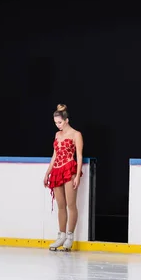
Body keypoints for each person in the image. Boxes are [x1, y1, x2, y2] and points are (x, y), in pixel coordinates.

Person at [44, 104, 83, 251]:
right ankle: (60, 236)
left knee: (71, 205)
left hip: (69, 169)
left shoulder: (76, 134)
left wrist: (77, 175)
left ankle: (69, 236)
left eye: (59, 122)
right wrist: (48, 172)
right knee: (61, 205)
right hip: (57, 171)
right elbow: (55, 155)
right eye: (55, 123)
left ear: (66, 120)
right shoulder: (57, 135)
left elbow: (79, 155)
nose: (57, 125)